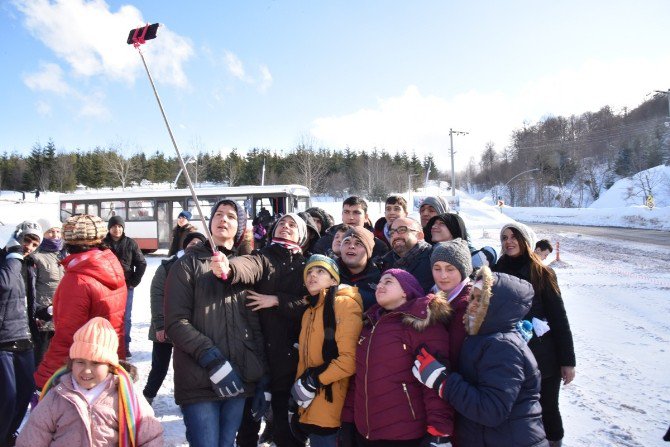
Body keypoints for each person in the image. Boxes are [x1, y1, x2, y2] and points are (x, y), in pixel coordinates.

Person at [165, 199, 266, 447]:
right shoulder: (186, 265)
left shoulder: (247, 266)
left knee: (227, 443)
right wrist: (211, 358)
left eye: (231, 216)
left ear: (240, 228)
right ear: (210, 222)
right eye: (219, 214)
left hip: (238, 378)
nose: (224, 219)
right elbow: (176, 322)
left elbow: (255, 325)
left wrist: (261, 375)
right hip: (199, 378)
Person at [412, 266, 548, 447]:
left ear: (500, 307)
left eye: (482, 299)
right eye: (472, 297)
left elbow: (491, 410)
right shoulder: (483, 338)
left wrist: (442, 382)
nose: (472, 304)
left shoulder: (503, 346)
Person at [211, 213, 309, 447]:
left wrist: (277, 300)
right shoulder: (263, 256)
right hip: (256, 354)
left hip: (291, 357)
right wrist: (229, 268)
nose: (285, 227)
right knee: (248, 425)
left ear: (301, 234)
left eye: (292, 225)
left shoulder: (308, 266)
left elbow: (310, 302)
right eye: (282, 223)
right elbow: (247, 267)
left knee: (287, 430)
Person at [341, 269, 454, 446]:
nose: (380, 285)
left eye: (388, 282)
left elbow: (435, 384)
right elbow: (358, 380)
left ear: (405, 290)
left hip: (404, 435)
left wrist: (439, 431)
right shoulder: (369, 324)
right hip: (364, 432)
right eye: (379, 282)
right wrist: (347, 422)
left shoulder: (421, 323)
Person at [16, 317, 163, 446]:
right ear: (71, 363)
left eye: (95, 363)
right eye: (80, 362)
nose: (86, 370)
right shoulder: (57, 396)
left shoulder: (126, 397)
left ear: (110, 366)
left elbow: (150, 437)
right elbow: (32, 437)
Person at [493, 222, 576, 447]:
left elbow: (559, 319)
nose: (509, 241)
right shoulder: (496, 271)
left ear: (527, 241)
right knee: (516, 410)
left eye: (514, 237)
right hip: (509, 356)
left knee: (547, 408)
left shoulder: (542, 272)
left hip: (543, 356)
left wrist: (568, 361)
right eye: (504, 237)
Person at [34, 214, 127, 390]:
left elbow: (67, 336)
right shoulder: (110, 266)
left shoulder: (78, 279)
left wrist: (44, 379)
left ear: (67, 243)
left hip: (85, 372)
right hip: (109, 361)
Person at [290, 255, 363, 447]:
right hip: (311, 403)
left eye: (320, 271)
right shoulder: (309, 312)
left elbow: (349, 360)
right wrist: (297, 401)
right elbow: (305, 361)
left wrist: (313, 380)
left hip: (334, 405)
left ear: (334, 280)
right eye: (309, 272)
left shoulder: (344, 304)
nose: (313, 276)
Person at [143, 231, 207, 405]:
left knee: (187, 368)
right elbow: (157, 295)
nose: (194, 246)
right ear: (184, 246)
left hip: (190, 328)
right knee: (159, 367)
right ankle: (147, 397)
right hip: (165, 326)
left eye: (199, 243)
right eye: (191, 243)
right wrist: (160, 325)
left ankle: (186, 399)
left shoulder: (204, 267)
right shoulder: (168, 266)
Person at [0, 221, 42, 446]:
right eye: (27, 240)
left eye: (35, 243)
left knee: (25, 393)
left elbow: (27, 301)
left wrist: (42, 313)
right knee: (7, 397)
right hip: (4, 338)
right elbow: (5, 285)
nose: (30, 246)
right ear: (17, 238)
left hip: (25, 337)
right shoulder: (7, 261)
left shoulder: (29, 266)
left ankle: (8, 435)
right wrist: (12, 255)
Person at [104, 215, 147, 357]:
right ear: (109, 228)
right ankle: (108, 345)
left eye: (119, 226)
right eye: (114, 226)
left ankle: (124, 345)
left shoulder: (130, 243)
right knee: (106, 316)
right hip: (105, 286)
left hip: (125, 286)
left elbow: (141, 263)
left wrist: (134, 282)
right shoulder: (102, 244)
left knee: (125, 317)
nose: (117, 229)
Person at [430, 239, 473, 370]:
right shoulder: (431, 294)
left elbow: (455, 353)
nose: (443, 276)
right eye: (437, 268)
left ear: (463, 271)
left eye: (450, 269)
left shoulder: (468, 304)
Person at [30, 218, 67, 366]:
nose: (55, 235)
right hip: (44, 314)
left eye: (58, 231)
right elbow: (30, 287)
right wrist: (38, 311)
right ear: (43, 234)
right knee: (42, 356)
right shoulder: (36, 256)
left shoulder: (65, 253)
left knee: (61, 356)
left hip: (63, 312)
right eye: (50, 232)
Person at [312, 197, 388, 258]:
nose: (351, 217)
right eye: (346, 212)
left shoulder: (378, 245)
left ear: (366, 217)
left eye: (356, 213)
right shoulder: (325, 242)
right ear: (342, 215)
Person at [425, 213, 497, 276]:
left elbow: (489, 253)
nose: (434, 226)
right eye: (434, 223)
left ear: (454, 229)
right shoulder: (426, 254)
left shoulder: (471, 256)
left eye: (441, 223)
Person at [380, 216, 434, 293]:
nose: (395, 236)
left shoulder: (433, 258)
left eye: (402, 230)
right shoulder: (384, 263)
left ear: (419, 236)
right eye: (392, 233)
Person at [337, 227, 381, 311]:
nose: (351, 246)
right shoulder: (328, 272)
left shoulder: (380, 278)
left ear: (368, 251)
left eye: (358, 243)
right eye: (346, 242)